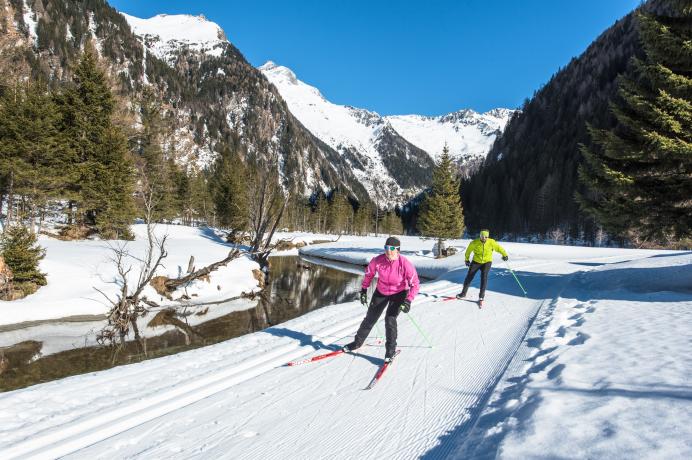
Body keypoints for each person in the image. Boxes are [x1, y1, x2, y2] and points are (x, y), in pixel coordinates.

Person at [343, 236, 420, 362]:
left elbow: (415, 284)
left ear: (398, 250)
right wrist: (363, 290)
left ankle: (390, 351)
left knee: (390, 320)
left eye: (392, 248)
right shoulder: (377, 261)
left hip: (399, 293)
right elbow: (369, 274)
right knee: (370, 318)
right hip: (381, 291)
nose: (388, 251)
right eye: (386, 247)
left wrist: (408, 300)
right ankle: (357, 343)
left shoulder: (405, 264)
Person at [456, 229, 508, 305]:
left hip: (487, 262)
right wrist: (467, 260)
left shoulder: (491, 242)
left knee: (484, 277)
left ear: (488, 237)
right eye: (482, 236)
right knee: (469, 276)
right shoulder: (474, 243)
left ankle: (481, 296)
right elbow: (468, 251)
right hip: (476, 261)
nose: (484, 238)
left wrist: (504, 255)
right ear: (480, 236)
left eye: (485, 237)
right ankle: (463, 293)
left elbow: (499, 248)